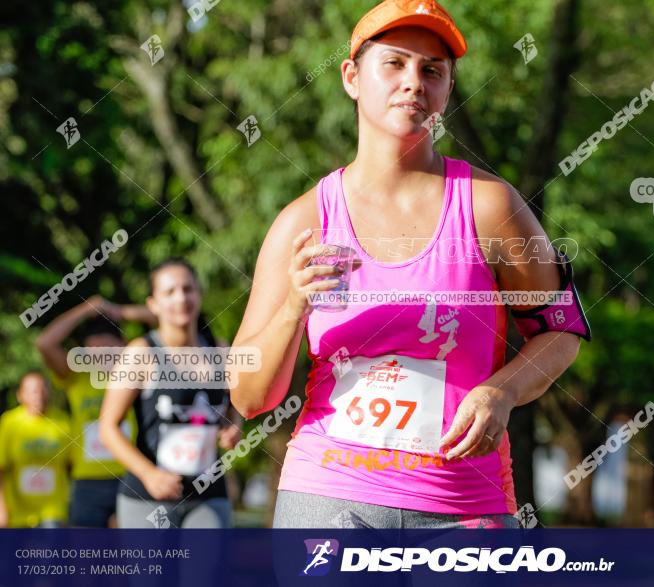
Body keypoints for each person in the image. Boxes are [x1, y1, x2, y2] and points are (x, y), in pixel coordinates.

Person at [229, 0, 591, 529]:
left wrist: (503, 390)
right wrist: (292, 306)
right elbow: (249, 398)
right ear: (352, 77)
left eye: (433, 71)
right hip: (330, 498)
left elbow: (561, 333)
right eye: (394, 63)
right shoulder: (304, 221)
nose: (414, 82)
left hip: (464, 505)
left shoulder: (490, 206)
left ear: (447, 89)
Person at [99, 258, 242, 528]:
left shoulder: (221, 350)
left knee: (208, 572)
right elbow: (108, 428)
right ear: (153, 304)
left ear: (199, 294)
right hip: (146, 498)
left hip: (208, 496)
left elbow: (235, 408)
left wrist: (234, 426)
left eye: (188, 289)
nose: (181, 298)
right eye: (170, 292)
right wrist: (149, 474)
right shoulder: (141, 353)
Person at [36, 296, 152, 527]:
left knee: (133, 553)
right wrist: (85, 309)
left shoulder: (136, 373)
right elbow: (44, 343)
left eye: (108, 348)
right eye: (94, 349)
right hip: (87, 481)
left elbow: (170, 321)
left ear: (124, 347)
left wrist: (120, 310)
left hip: (132, 475)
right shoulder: (77, 376)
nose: (101, 355)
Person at [0, 372, 72, 528]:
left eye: (43, 389)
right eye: (33, 391)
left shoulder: (63, 422)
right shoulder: (9, 422)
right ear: (20, 395)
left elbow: (70, 466)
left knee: (51, 552)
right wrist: (2, 509)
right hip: (17, 512)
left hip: (53, 511)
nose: (39, 395)